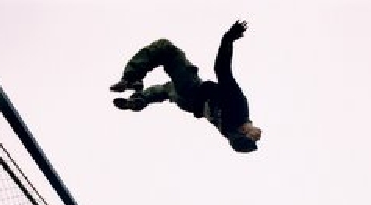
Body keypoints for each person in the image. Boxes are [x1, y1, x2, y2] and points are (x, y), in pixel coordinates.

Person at [110, 20, 262, 153]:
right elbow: (238, 143)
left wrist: (227, 39)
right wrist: (250, 139)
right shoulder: (230, 131)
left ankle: (131, 78)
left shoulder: (239, 107)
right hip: (189, 104)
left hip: (193, 90)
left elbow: (222, 69)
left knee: (166, 48)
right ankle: (138, 100)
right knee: (166, 89)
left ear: (243, 131)